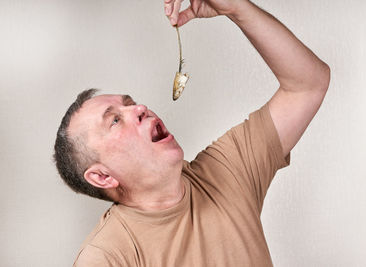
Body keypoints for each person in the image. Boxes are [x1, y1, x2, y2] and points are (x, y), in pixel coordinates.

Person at [54, 0, 330, 266]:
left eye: (129, 103)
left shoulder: (227, 171)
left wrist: (236, 7)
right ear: (102, 176)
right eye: (114, 120)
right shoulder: (108, 257)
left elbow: (307, 84)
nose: (138, 108)